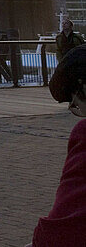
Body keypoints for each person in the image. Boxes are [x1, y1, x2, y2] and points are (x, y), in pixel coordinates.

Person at [32, 44, 86, 245]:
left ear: (83, 87)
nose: (78, 110)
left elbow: (68, 222)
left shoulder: (84, 133)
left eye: (74, 103)